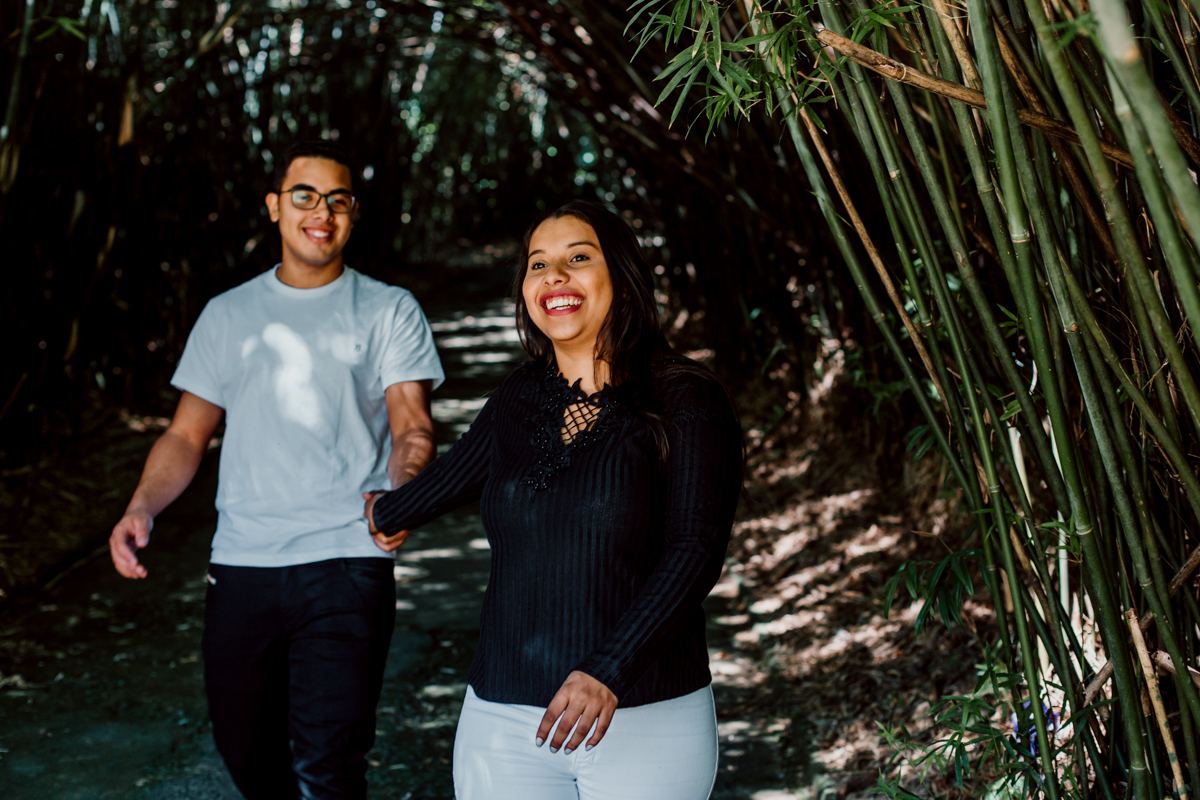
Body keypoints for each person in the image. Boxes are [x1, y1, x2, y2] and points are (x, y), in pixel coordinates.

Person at [364, 199, 743, 799]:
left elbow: (694, 551)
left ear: (620, 273)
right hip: (503, 718)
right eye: (538, 264)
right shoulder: (520, 395)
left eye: (578, 258)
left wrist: (607, 670)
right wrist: (384, 513)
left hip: (645, 713)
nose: (555, 277)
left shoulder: (686, 399)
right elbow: (453, 476)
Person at [108, 140, 445, 799]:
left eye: (339, 200)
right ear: (274, 207)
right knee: (245, 753)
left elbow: (413, 426)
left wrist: (402, 495)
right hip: (242, 564)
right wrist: (140, 506)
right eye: (305, 196)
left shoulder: (387, 309)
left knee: (330, 766)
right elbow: (185, 434)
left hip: (348, 560)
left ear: (352, 215)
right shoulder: (229, 314)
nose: (323, 212)